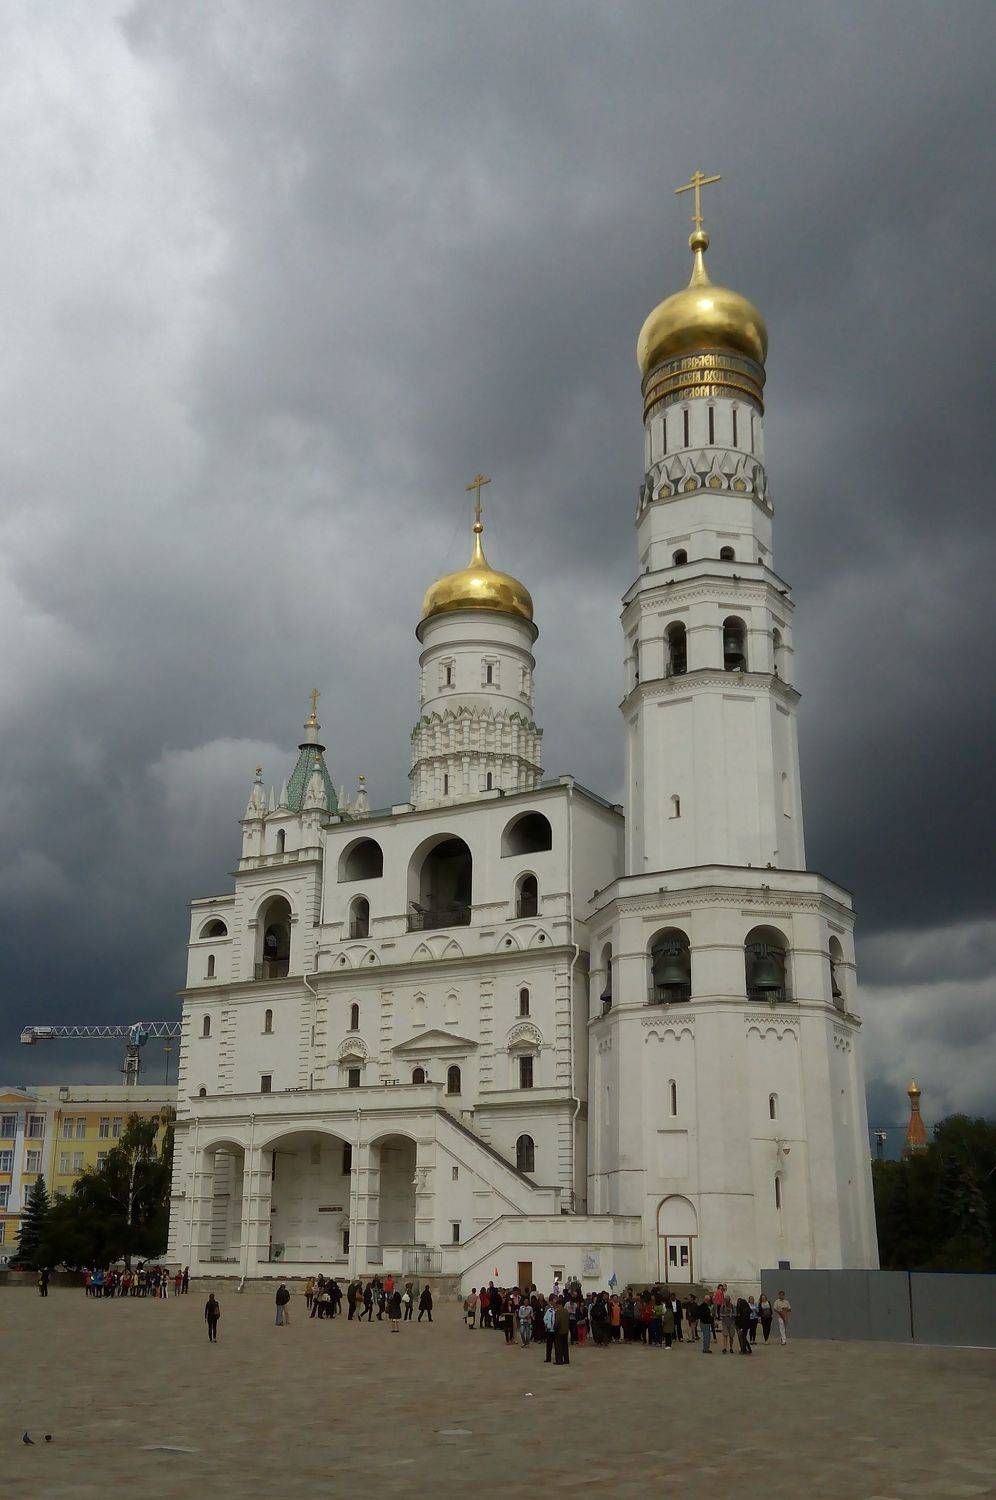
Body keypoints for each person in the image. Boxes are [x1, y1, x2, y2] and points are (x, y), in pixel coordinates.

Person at [554, 1298, 571, 1365]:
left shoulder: (558, 1312)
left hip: (559, 1331)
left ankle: (559, 1360)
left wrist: (555, 1328)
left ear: (559, 1305)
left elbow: (557, 1322)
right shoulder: (566, 1311)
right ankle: (566, 1360)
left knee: (559, 1347)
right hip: (565, 1330)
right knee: (565, 1346)